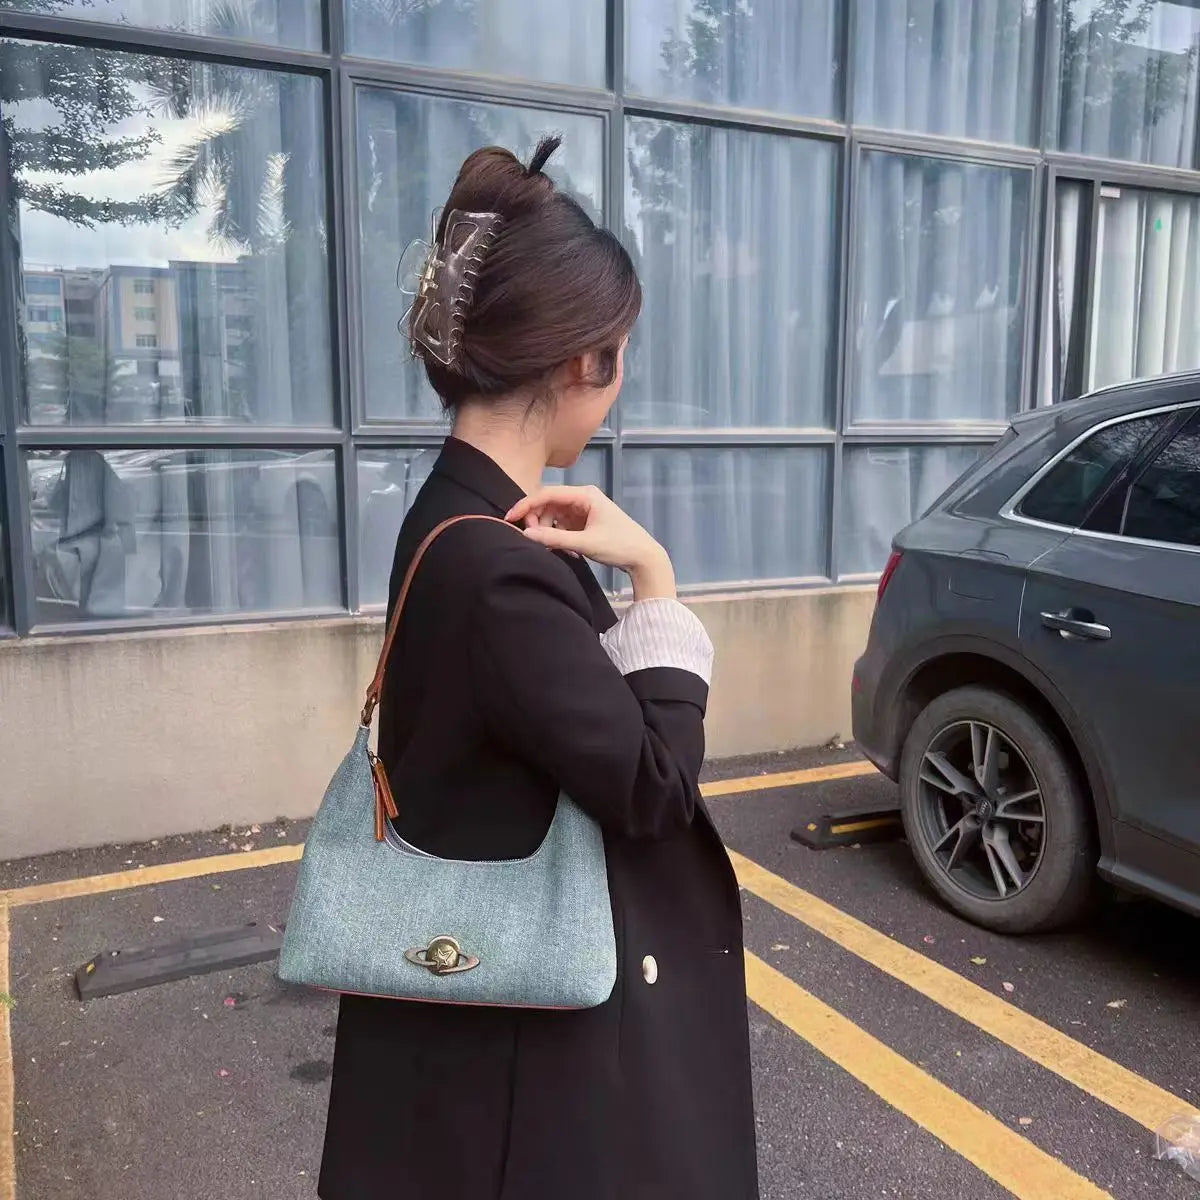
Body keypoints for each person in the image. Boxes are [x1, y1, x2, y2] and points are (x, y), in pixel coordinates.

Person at [318, 137, 758, 1200]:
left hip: (475, 1010)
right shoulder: (495, 570)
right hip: (528, 1059)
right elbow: (653, 789)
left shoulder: (450, 517)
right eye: (618, 356)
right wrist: (654, 581)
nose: (616, 382)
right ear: (578, 361)